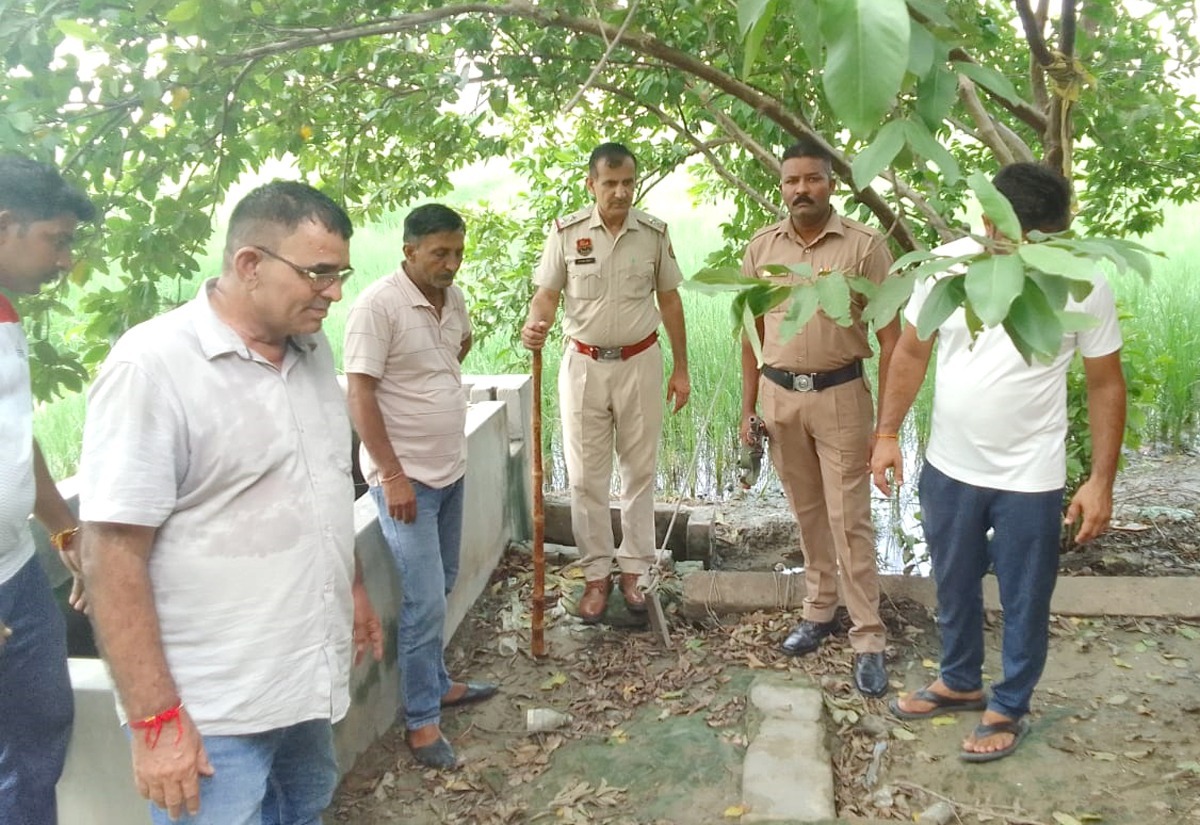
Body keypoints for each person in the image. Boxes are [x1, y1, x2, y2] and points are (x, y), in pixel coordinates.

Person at [78, 181, 385, 823]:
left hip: (304, 678)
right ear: (249, 265)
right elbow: (111, 556)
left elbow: (324, 484)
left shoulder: (309, 345)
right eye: (318, 273)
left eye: (340, 273)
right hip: (213, 709)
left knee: (304, 803)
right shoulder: (153, 367)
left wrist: (351, 589)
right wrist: (157, 722)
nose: (334, 292)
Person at [871, 162, 1126, 762]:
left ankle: (1010, 704)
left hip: (1030, 475)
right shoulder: (949, 267)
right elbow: (911, 352)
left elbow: (1106, 384)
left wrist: (1100, 481)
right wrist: (886, 434)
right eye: (1021, 238)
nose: (1035, 252)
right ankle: (959, 680)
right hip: (950, 465)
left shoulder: (1081, 280)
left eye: (1048, 240)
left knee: (1025, 594)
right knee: (953, 581)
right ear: (989, 220)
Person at [740, 137, 900, 698]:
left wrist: (887, 429)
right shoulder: (762, 249)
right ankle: (818, 610)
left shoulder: (863, 247)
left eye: (812, 179)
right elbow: (750, 334)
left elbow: (891, 336)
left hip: (841, 397)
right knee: (807, 513)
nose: (801, 190)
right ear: (780, 186)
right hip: (779, 398)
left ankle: (869, 636)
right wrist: (748, 409)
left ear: (831, 183)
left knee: (849, 518)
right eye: (791, 181)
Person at [344, 204, 498, 770]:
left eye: (457, 252)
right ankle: (421, 723)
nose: (451, 263)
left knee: (445, 582)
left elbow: (458, 346)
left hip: (450, 468)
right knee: (424, 600)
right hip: (406, 482)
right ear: (408, 251)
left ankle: (437, 684)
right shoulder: (377, 306)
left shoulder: (450, 298)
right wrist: (390, 474)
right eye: (440, 253)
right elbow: (359, 394)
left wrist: (436, 392)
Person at [520, 142, 690, 623]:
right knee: (584, 478)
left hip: (640, 362)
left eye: (627, 183)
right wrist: (535, 325)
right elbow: (546, 296)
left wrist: (681, 368)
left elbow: (671, 301)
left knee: (639, 471)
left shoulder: (653, 234)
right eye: (610, 183)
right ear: (590, 184)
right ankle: (596, 573)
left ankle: (635, 568)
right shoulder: (567, 233)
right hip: (583, 367)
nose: (620, 192)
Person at [0, 155, 94, 825]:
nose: (63, 260)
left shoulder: (5, 313)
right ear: (6, 225)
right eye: (55, 240)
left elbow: (11, 436)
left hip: (17, 570)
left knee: (42, 727)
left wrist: (63, 527)